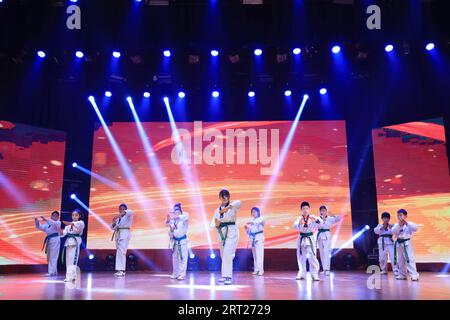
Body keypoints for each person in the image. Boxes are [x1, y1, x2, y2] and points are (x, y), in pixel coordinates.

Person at [212, 189, 241, 285]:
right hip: (221, 233)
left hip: (231, 232)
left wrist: (228, 208)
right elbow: (213, 223)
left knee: (228, 254)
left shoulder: (233, 207)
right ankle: (224, 275)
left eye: (226, 196)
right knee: (223, 255)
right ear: (220, 198)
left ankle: (228, 277)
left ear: (228, 197)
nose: (224, 198)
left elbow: (239, 202)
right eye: (222, 196)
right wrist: (216, 225)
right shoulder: (217, 210)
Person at [293, 201, 320, 281]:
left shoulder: (312, 217)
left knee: (312, 256)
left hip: (310, 238)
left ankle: (314, 274)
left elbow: (320, 222)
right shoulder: (299, 218)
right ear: (301, 210)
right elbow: (294, 226)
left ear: (309, 209)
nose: (305, 210)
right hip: (301, 239)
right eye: (303, 208)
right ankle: (301, 273)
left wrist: (315, 219)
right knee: (301, 257)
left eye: (307, 208)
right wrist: (299, 221)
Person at [392, 209, 419, 281]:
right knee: (400, 260)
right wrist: (399, 225)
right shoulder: (396, 225)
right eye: (398, 215)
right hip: (399, 243)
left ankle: (414, 275)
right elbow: (394, 232)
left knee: (409, 259)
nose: (399, 217)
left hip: (407, 243)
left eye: (401, 215)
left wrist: (406, 223)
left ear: (405, 216)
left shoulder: (409, 224)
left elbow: (415, 228)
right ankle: (402, 274)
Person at [166, 203, 189, 280]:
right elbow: (168, 225)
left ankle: (182, 274)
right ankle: (175, 273)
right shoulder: (173, 221)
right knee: (175, 259)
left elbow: (185, 217)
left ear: (180, 210)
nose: (176, 212)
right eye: (175, 210)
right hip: (175, 242)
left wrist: (177, 217)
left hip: (182, 241)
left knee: (182, 258)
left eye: (177, 210)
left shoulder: (184, 217)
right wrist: (170, 225)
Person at [316, 205, 341, 276]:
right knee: (322, 253)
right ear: (320, 211)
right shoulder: (317, 219)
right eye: (321, 210)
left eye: (324, 210)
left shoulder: (330, 218)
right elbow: (315, 225)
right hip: (320, 236)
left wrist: (330, 213)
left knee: (326, 252)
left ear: (326, 211)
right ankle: (324, 269)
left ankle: (327, 269)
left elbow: (338, 218)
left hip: (327, 235)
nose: (323, 211)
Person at [34, 211, 61, 277]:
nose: (54, 217)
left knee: (53, 256)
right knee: (49, 257)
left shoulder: (58, 222)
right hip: (49, 240)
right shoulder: (47, 225)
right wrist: (37, 222)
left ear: (58, 217)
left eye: (56, 216)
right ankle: (54, 271)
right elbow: (40, 227)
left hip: (55, 239)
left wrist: (46, 219)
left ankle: (51, 272)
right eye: (53, 215)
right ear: (51, 216)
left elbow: (53, 224)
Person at [62, 209, 85, 282]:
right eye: (73, 215)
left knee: (73, 259)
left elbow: (76, 225)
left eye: (76, 215)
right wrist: (58, 229)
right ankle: (70, 276)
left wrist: (68, 223)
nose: (74, 217)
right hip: (68, 242)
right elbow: (64, 233)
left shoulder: (81, 222)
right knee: (68, 260)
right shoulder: (68, 225)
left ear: (79, 216)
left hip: (75, 241)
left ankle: (71, 276)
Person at [111, 203, 133, 277]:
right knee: (120, 251)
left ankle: (120, 270)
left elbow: (129, 211)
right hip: (118, 234)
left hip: (124, 233)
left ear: (125, 209)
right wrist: (114, 223)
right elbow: (112, 227)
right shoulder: (118, 219)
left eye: (123, 209)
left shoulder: (128, 214)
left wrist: (120, 214)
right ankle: (121, 270)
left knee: (121, 251)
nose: (121, 210)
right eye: (120, 209)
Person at [245, 207, 265, 276]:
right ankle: (256, 270)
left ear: (258, 212)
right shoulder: (252, 221)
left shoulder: (261, 218)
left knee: (259, 255)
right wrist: (247, 229)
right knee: (255, 255)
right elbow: (249, 233)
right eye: (252, 212)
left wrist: (250, 223)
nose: (253, 213)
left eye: (255, 212)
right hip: (253, 239)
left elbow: (256, 222)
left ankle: (260, 270)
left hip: (259, 238)